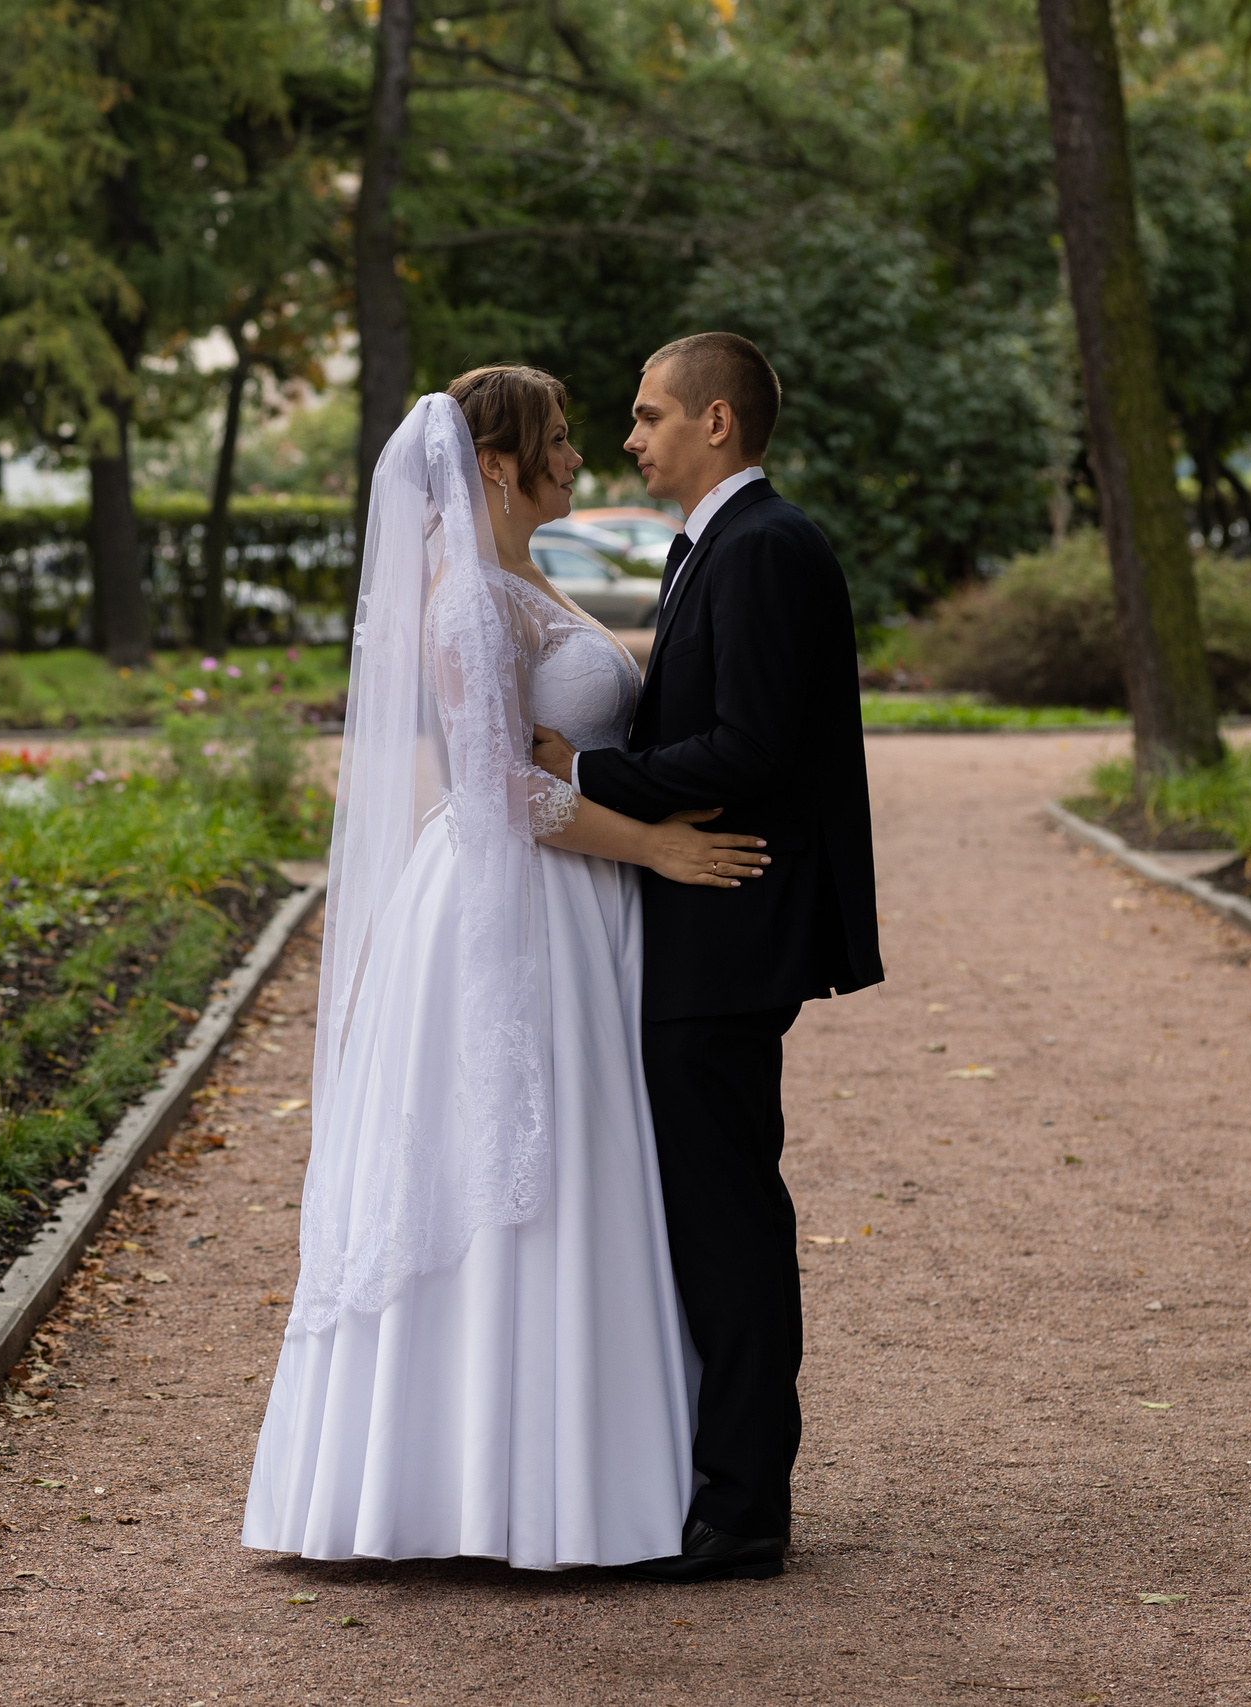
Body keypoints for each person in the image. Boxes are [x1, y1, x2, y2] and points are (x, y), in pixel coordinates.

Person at [240, 367, 769, 1569]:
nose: (582, 457)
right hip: (513, 901)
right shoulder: (467, 600)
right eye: (561, 439)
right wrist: (656, 847)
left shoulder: (526, 582)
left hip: (579, 903)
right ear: (494, 463)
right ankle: (481, 1488)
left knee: (587, 1169)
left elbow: (564, 745)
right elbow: (493, 790)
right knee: (510, 1168)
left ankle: (584, 1471)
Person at [532, 332, 883, 1582]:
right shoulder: (723, 547)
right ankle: (718, 1480)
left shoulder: (765, 548)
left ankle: (741, 1510)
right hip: (706, 932)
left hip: (730, 932)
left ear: (717, 422)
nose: (630, 439)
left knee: (728, 1216)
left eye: (647, 416)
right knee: (710, 1208)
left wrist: (584, 773)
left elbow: (747, 749)